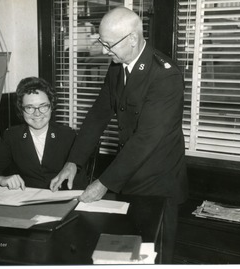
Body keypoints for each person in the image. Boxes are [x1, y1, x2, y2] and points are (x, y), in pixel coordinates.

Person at [50, 7, 188, 264]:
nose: (104, 50)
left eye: (108, 43)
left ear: (132, 39)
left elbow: (146, 139)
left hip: (159, 184)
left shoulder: (165, 75)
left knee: (155, 257)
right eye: (101, 42)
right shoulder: (118, 66)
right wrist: (73, 162)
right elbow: (97, 116)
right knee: (124, 257)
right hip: (126, 178)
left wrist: (103, 184)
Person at [0, 76, 86, 190]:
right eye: (30, 107)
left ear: (51, 107)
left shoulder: (67, 135)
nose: (37, 113)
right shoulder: (12, 136)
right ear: (21, 110)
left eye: (43, 106)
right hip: (27, 202)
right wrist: (1, 179)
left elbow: (79, 182)